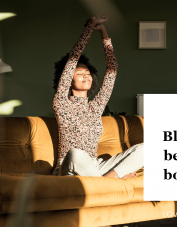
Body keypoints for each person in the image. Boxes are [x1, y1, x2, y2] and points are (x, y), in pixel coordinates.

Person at [52, 13, 144, 179]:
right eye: (79, 73)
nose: (86, 75)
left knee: (147, 149)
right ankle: (112, 181)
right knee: (75, 153)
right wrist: (88, 30)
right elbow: (72, 60)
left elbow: (112, 71)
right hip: (71, 165)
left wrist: (103, 33)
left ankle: (108, 180)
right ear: (68, 80)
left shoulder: (95, 106)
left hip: (96, 166)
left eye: (87, 73)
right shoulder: (61, 104)